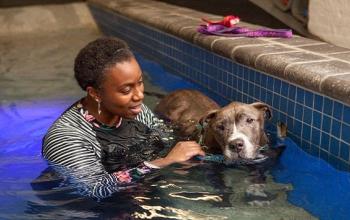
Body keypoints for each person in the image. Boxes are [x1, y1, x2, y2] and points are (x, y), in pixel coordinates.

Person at [41, 37, 205, 199]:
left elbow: (163, 138)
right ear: (95, 93)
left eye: (139, 82)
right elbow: (95, 189)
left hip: (139, 192)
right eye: (126, 90)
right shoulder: (66, 138)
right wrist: (165, 162)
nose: (139, 95)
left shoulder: (135, 111)